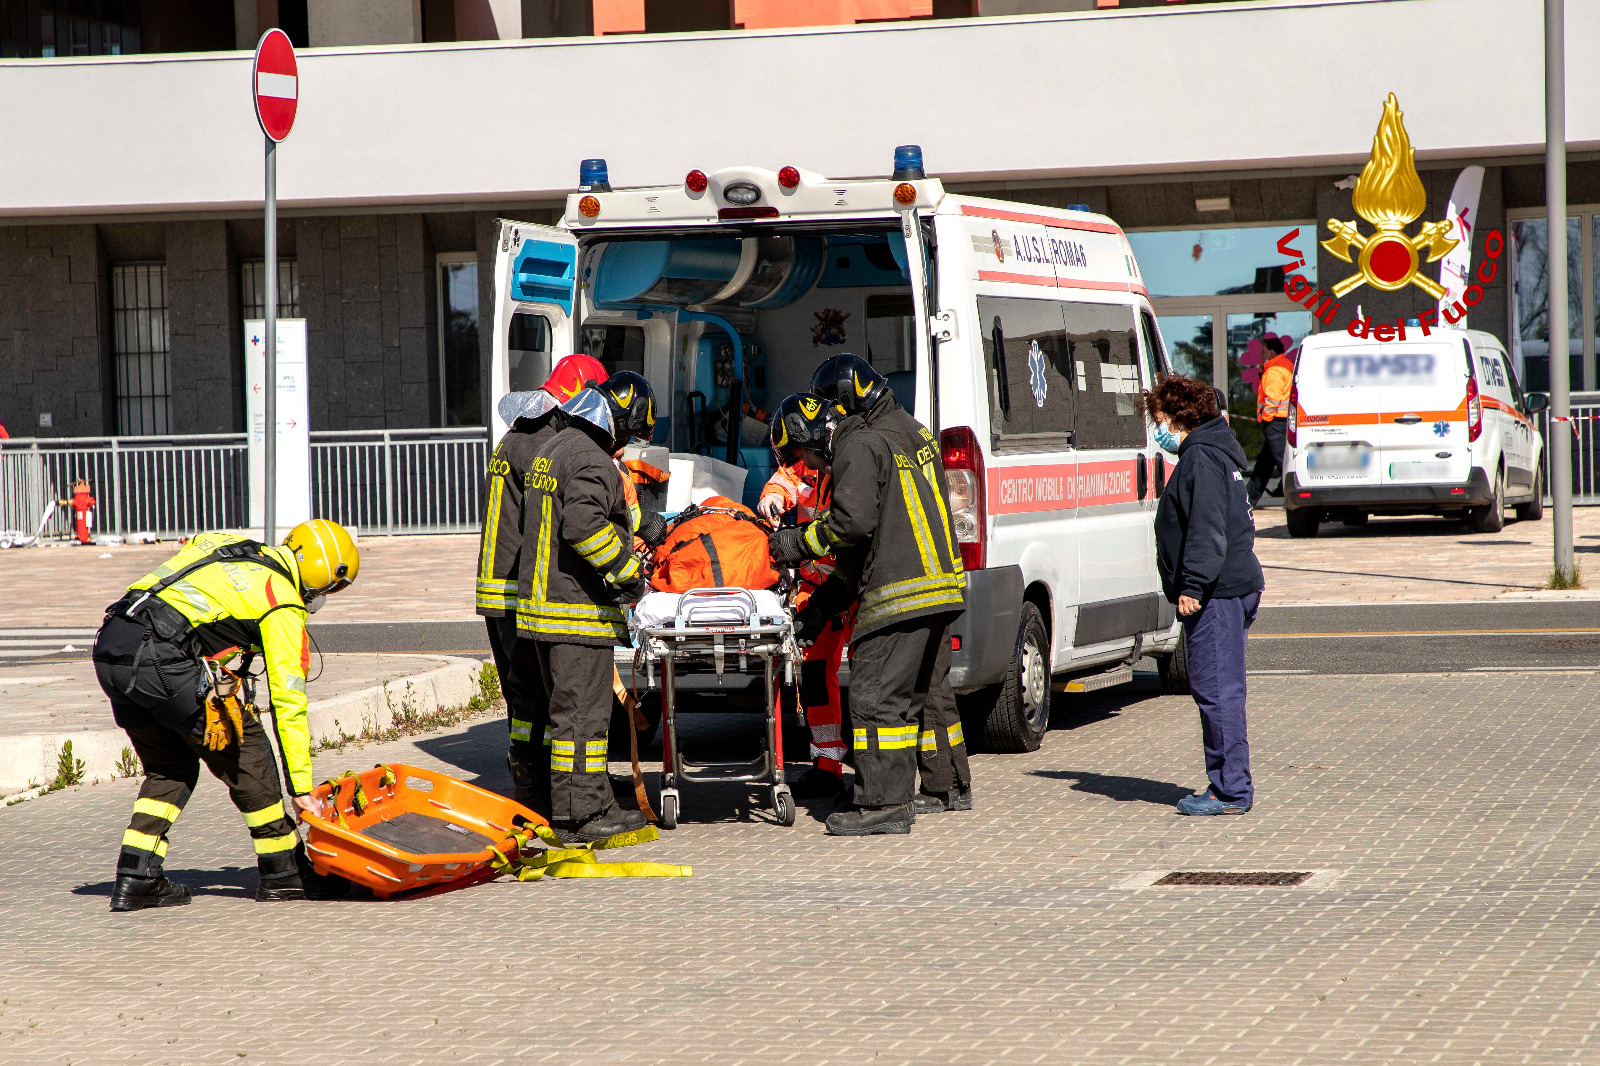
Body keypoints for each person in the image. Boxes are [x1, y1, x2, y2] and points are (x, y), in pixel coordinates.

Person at [92, 520, 361, 910]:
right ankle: (284, 873)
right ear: (320, 580)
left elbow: (203, 592)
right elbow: (288, 701)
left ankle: (137, 877)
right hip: (161, 657)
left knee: (171, 767)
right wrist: (301, 790)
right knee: (247, 749)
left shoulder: (232, 543)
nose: (322, 599)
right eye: (329, 590)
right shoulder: (282, 601)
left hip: (113, 645)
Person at [768, 355, 967, 835]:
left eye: (808, 458)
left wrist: (793, 544)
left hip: (899, 592)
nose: (813, 468)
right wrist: (815, 615)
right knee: (926, 695)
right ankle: (946, 786)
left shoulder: (860, 443)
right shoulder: (911, 431)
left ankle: (883, 802)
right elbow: (865, 548)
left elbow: (853, 529)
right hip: (940, 586)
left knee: (876, 697)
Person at [517, 372, 658, 842]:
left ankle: (582, 800)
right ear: (617, 423)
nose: (625, 449)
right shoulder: (592, 460)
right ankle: (583, 815)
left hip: (542, 611)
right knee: (583, 717)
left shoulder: (554, 448)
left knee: (568, 715)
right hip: (575, 612)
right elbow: (583, 527)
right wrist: (627, 574)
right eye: (628, 436)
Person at [477, 354, 608, 815]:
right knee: (546, 695)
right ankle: (548, 791)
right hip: (522, 591)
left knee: (525, 694)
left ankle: (535, 783)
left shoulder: (518, 437)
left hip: (502, 589)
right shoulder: (546, 444)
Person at [1141, 375, 1265, 816]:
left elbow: (1206, 530)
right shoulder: (1216, 452)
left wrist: (1192, 586)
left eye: (1159, 420)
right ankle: (1230, 784)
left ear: (1180, 418)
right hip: (1234, 586)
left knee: (1217, 691)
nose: (1157, 430)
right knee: (1222, 689)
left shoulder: (1201, 461)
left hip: (1217, 594)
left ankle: (1230, 790)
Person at [760, 394, 852, 799]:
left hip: (848, 590)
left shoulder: (845, 465)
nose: (799, 459)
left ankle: (851, 769)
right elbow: (784, 480)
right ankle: (828, 764)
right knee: (816, 678)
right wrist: (772, 498)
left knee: (862, 683)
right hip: (822, 591)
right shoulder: (808, 463)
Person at [1246, 337, 1294, 505]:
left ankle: (1295, 491)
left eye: (1263, 351)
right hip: (1281, 421)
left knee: (1282, 461)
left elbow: (1272, 398)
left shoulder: (1274, 371)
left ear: (1271, 352)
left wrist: (1266, 418)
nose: (1260, 354)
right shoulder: (1285, 366)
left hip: (1275, 422)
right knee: (1264, 464)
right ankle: (1248, 498)